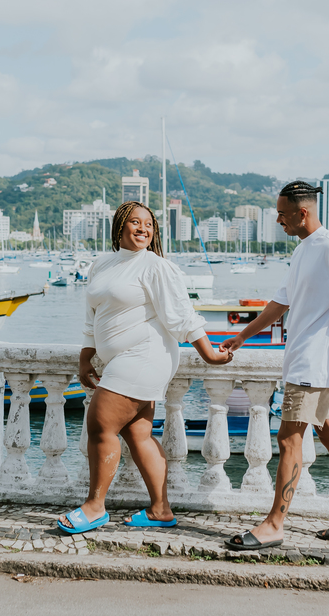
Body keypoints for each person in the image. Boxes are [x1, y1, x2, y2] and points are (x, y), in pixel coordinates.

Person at [219, 180, 329, 550]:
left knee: (289, 438)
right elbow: (280, 303)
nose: (278, 221)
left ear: (302, 212)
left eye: (282, 214)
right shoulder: (305, 250)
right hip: (311, 365)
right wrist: (242, 337)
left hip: (313, 365)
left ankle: (274, 524)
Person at [57, 201, 233, 534]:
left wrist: (209, 353)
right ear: (120, 225)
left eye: (149, 225)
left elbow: (181, 314)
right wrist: (85, 357)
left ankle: (94, 507)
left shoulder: (156, 266)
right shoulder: (102, 264)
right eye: (136, 222)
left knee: (100, 425)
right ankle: (160, 510)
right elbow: (92, 317)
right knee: (138, 434)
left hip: (146, 355)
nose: (143, 229)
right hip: (118, 359)